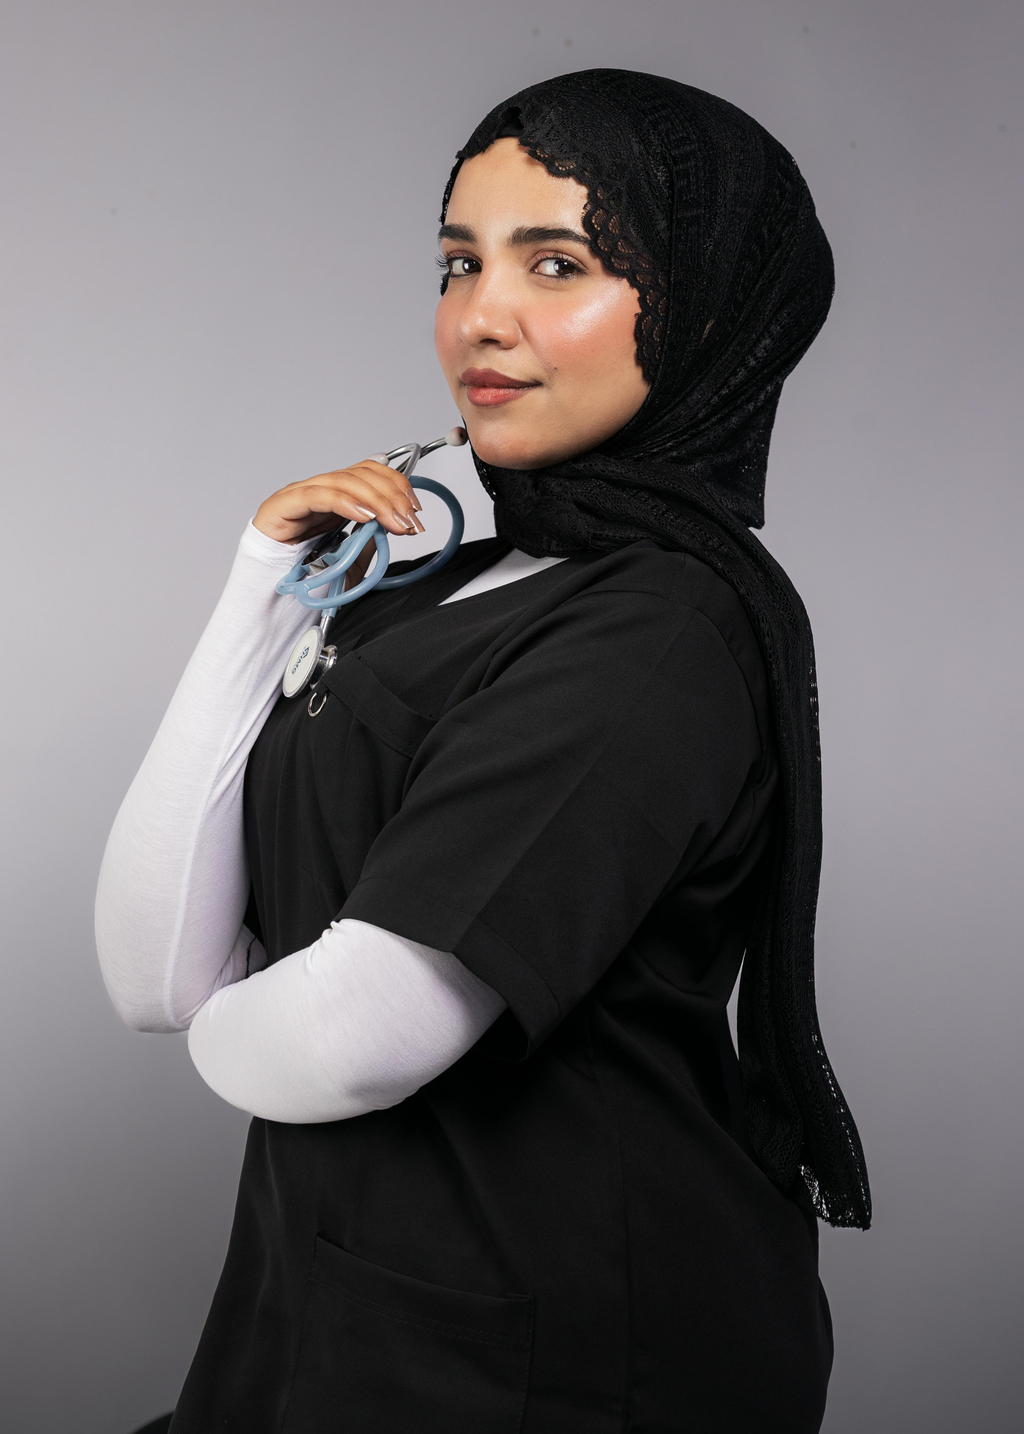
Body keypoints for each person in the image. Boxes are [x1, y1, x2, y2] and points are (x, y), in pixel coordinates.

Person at [96, 69, 870, 1434]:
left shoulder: (658, 630)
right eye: (460, 262)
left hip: (559, 1343)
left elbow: (355, 1037)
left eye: (556, 263)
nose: (480, 317)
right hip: (335, 1295)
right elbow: (148, 975)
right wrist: (256, 584)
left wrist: (232, 990)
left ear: (705, 312)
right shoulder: (440, 574)